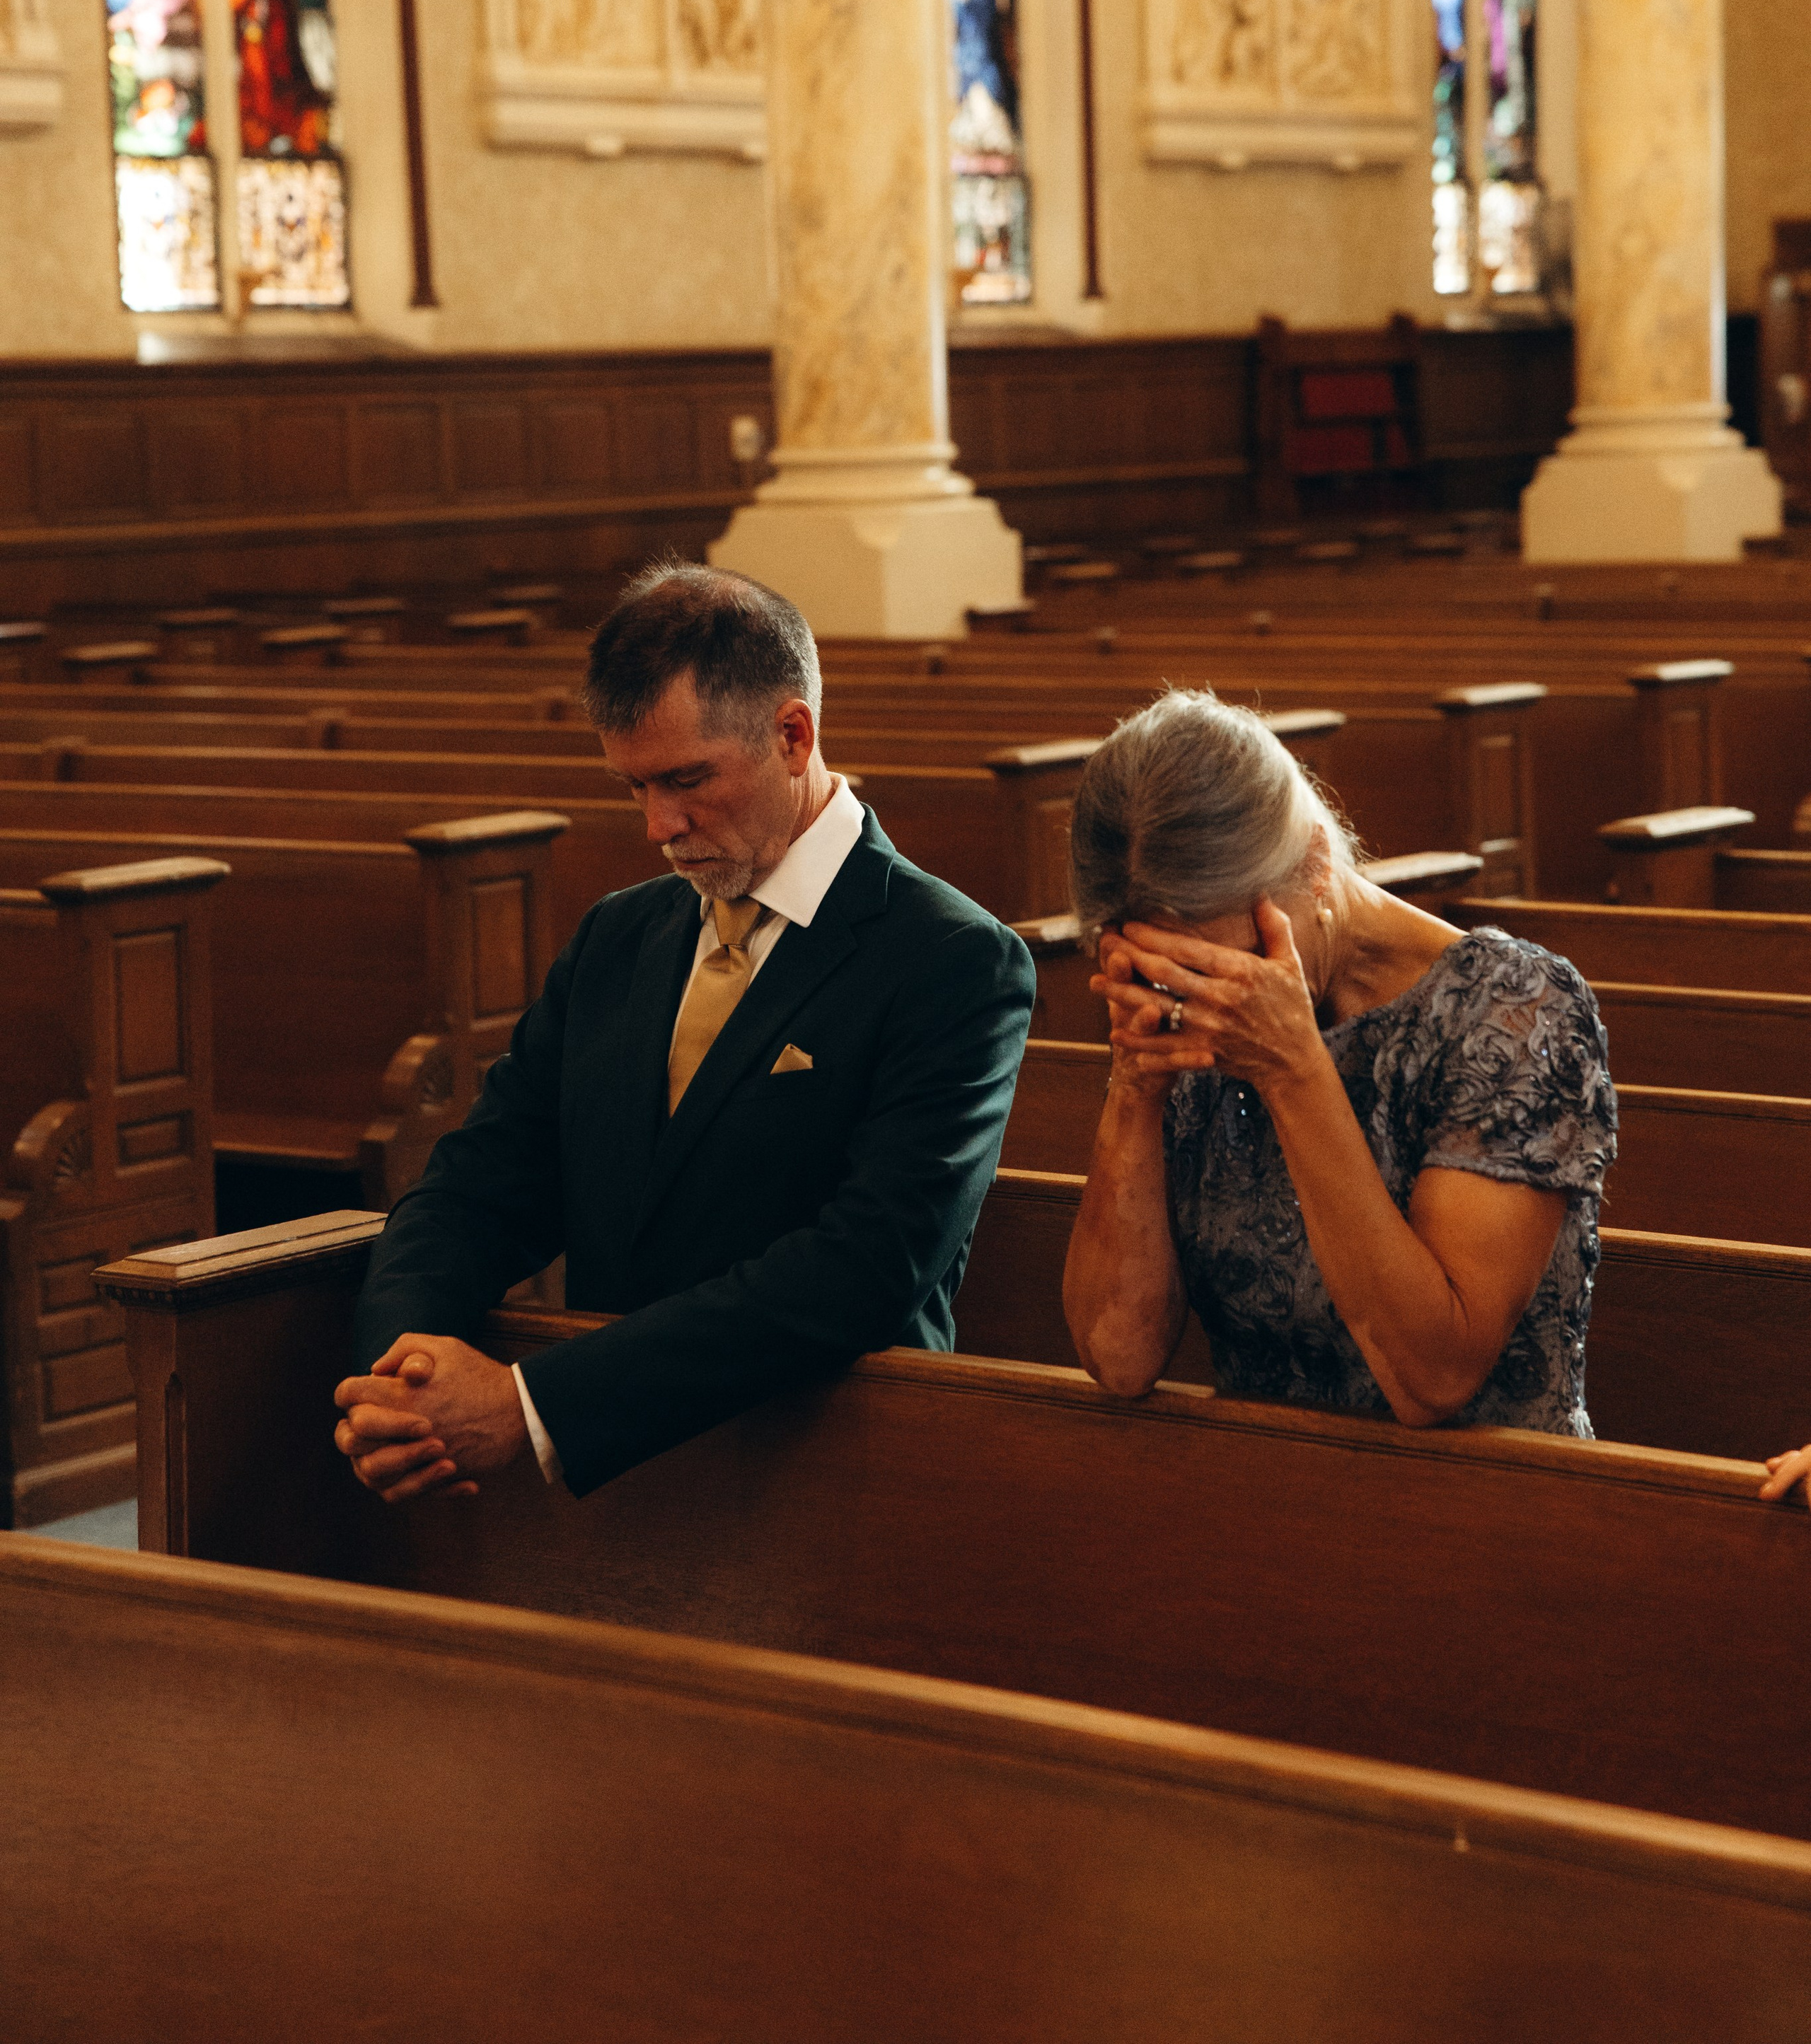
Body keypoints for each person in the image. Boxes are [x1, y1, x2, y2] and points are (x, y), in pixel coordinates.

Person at [335, 563, 1037, 1503]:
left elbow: (865, 1271)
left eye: (687, 779)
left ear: (794, 735)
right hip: (613, 1487)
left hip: (828, 1475)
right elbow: (482, 1181)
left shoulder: (951, 958)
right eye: (633, 788)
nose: (659, 827)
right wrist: (403, 1370)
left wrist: (536, 1406)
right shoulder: (620, 937)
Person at [1062, 691, 1616, 1436]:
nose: (1212, 1003)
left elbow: (1433, 1378)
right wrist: (1136, 1082)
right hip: (1263, 1494)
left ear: (1316, 864)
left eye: (1240, 960)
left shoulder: (1511, 1008)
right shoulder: (1183, 1011)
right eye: (1172, 973)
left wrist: (1292, 1070)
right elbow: (1119, 1358)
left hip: (1486, 1507)